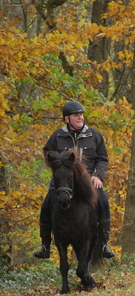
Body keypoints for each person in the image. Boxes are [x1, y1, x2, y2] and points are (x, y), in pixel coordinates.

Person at [33, 101, 115, 259]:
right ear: (67, 119)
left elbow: (102, 158)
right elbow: (47, 154)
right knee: (46, 205)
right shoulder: (57, 136)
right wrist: (58, 169)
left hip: (88, 181)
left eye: (81, 114)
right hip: (63, 182)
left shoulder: (94, 135)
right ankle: (45, 245)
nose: (80, 117)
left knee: (104, 203)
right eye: (76, 115)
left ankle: (104, 244)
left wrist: (98, 175)